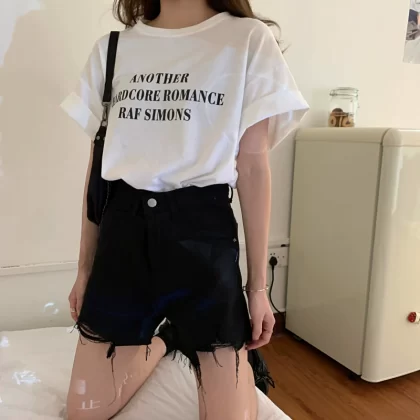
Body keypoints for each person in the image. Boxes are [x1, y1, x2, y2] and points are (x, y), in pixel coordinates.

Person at [61, 0, 309, 419]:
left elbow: (252, 166)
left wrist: (257, 290)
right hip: (124, 237)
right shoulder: (113, 48)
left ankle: (188, 336)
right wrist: (84, 269)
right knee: (85, 412)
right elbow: (98, 173)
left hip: (203, 239)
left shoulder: (247, 40)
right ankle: (167, 340)